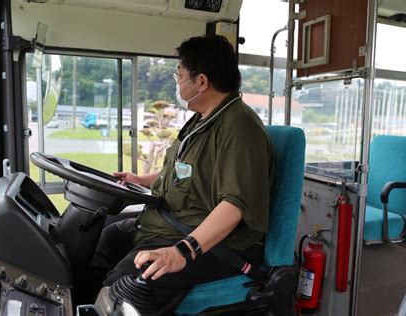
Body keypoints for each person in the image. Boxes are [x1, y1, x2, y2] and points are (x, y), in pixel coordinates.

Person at [87, 35, 273, 314]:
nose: (177, 82)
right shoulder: (202, 119)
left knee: (123, 288)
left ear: (201, 82)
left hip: (208, 242)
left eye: (180, 75)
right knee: (103, 236)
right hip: (166, 223)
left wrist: (182, 252)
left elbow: (235, 205)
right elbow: (181, 170)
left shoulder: (240, 127)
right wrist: (142, 180)